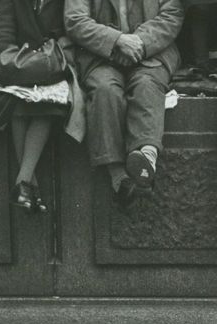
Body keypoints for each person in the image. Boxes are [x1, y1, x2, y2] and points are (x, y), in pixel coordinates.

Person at [64, 0, 184, 208]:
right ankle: (119, 176)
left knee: (147, 84)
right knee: (104, 90)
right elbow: (75, 20)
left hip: (152, 51)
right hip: (100, 55)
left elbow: (171, 15)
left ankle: (147, 157)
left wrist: (139, 42)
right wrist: (116, 41)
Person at [0, 0, 85, 213]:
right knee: (14, 99)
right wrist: (4, 61)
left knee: (50, 102)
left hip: (54, 63)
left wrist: (54, 51)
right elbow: (2, 33)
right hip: (19, 61)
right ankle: (27, 186)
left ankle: (24, 182)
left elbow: (72, 29)